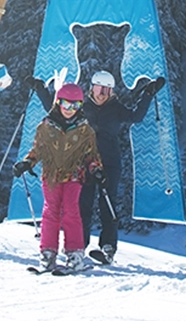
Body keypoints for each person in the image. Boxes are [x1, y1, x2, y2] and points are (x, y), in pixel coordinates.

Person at [31, 69, 165, 264]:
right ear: (91, 88)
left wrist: (148, 93)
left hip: (109, 163)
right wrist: (41, 90)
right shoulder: (82, 106)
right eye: (99, 88)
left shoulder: (116, 108)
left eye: (107, 90)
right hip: (82, 164)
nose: (102, 94)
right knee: (81, 206)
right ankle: (78, 247)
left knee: (107, 205)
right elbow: (57, 110)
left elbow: (136, 117)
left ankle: (108, 248)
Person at [14, 83, 102, 273]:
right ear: (58, 103)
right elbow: (37, 150)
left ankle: (75, 256)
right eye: (65, 104)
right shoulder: (45, 126)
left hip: (74, 176)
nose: (69, 110)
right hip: (51, 176)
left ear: (80, 106)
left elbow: (91, 155)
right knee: (50, 213)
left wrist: (96, 169)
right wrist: (27, 163)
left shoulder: (85, 129)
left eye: (75, 106)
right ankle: (48, 255)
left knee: (71, 212)